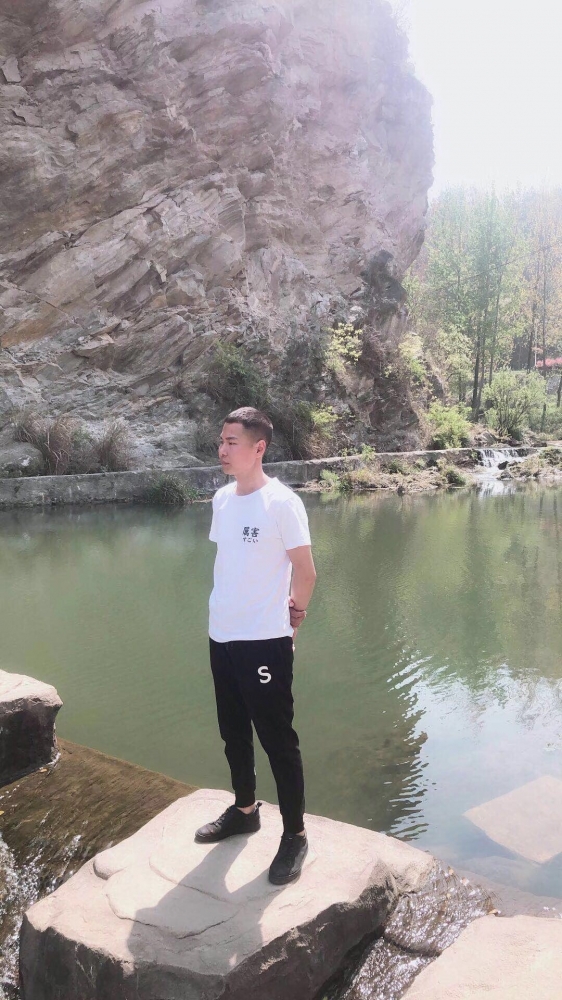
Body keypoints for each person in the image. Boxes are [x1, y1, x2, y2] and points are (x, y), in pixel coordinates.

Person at [195, 406, 317, 884]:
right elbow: (232, 565)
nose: (222, 450)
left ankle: (295, 835)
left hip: (264, 641)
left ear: (259, 448)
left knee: (278, 741)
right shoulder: (223, 499)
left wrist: (293, 622)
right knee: (233, 732)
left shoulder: (282, 503)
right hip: (222, 635)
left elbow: (305, 572)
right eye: (221, 441)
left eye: (232, 442)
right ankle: (245, 810)